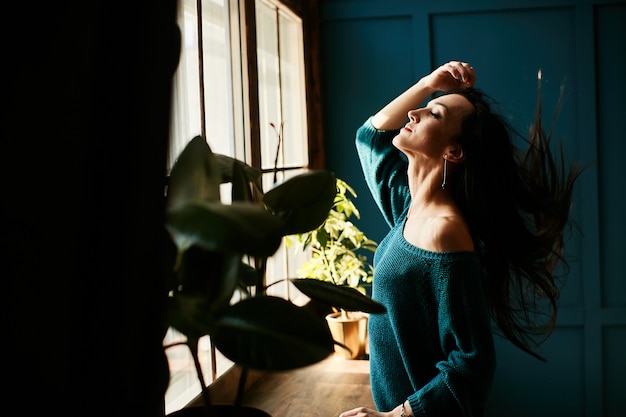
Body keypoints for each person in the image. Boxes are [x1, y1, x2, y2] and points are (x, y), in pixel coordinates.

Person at [338, 61, 580, 417]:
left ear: (454, 151)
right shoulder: (410, 208)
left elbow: (473, 364)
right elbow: (369, 136)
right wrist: (427, 83)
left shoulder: (444, 232)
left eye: (433, 114)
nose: (414, 112)